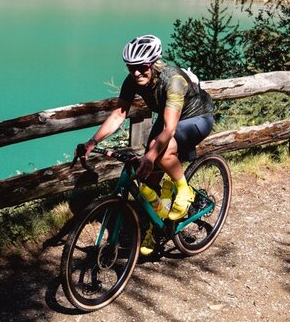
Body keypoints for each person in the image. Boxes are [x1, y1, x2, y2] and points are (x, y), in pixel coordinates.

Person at [76, 35, 215, 254]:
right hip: (170, 116)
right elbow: (119, 115)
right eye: (131, 67)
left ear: (153, 64)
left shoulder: (173, 80)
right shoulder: (132, 81)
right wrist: (92, 142)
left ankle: (184, 190)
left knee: (160, 152)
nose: (136, 73)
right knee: (148, 181)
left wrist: (151, 155)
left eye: (141, 67)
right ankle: (156, 227)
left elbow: (169, 129)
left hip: (197, 116)